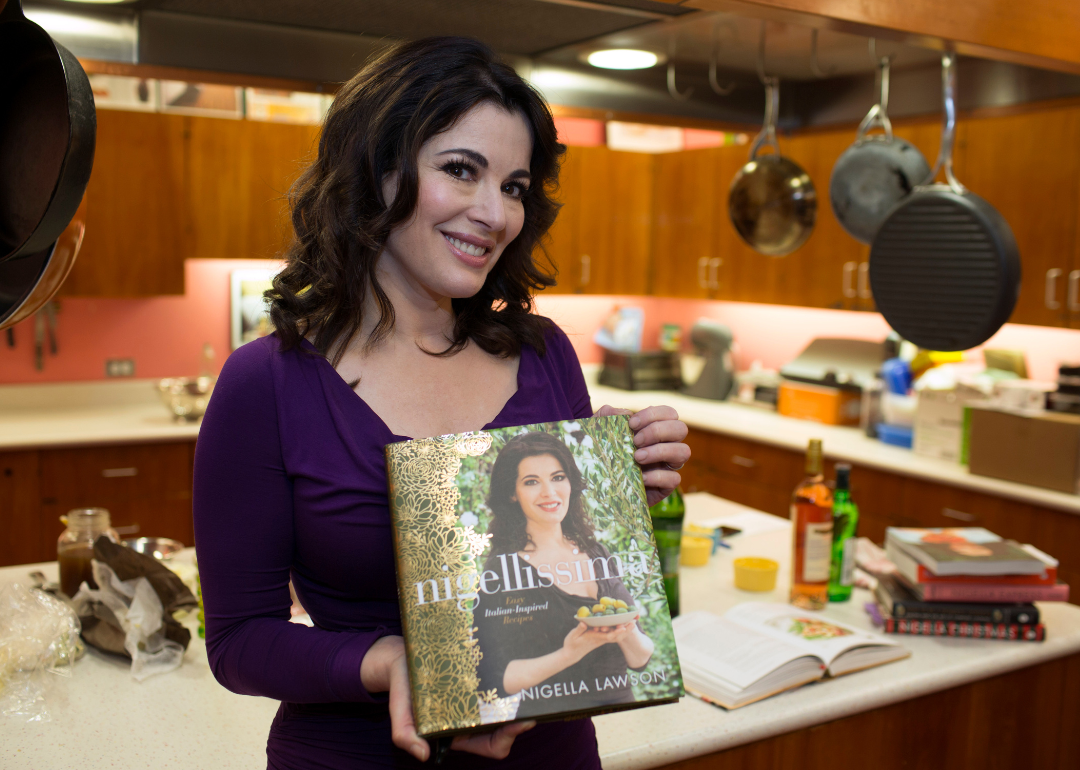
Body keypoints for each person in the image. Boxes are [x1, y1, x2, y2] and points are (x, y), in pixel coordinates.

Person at [193, 36, 690, 770]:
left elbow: (570, 589)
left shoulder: (545, 354)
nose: (494, 213)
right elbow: (239, 643)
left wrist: (618, 495)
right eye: (462, 170)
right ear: (376, 171)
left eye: (515, 186)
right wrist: (391, 663)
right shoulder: (265, 384)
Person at [474, 432, 655, 720]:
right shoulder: (503, 570)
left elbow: (641, 657)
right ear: (512, 493)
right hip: (553, 727)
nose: (549, 492)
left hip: (623, 716)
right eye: (531, 482)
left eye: (558, 477)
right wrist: (569, 653)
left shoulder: (596, 552)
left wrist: (626, 630)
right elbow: (494, 678)